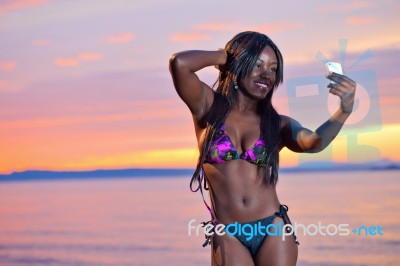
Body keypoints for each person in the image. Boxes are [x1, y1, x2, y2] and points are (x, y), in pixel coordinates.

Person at [169, 31, 356, 266]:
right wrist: (226, 56)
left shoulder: (278, 124)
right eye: (257, 64)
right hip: (229, 233)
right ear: (238, 65)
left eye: (273, 68)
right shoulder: (207, 106)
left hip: (273, 228)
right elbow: (180, 64)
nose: (266, 74)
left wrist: (345, 110)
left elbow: (315, 142)